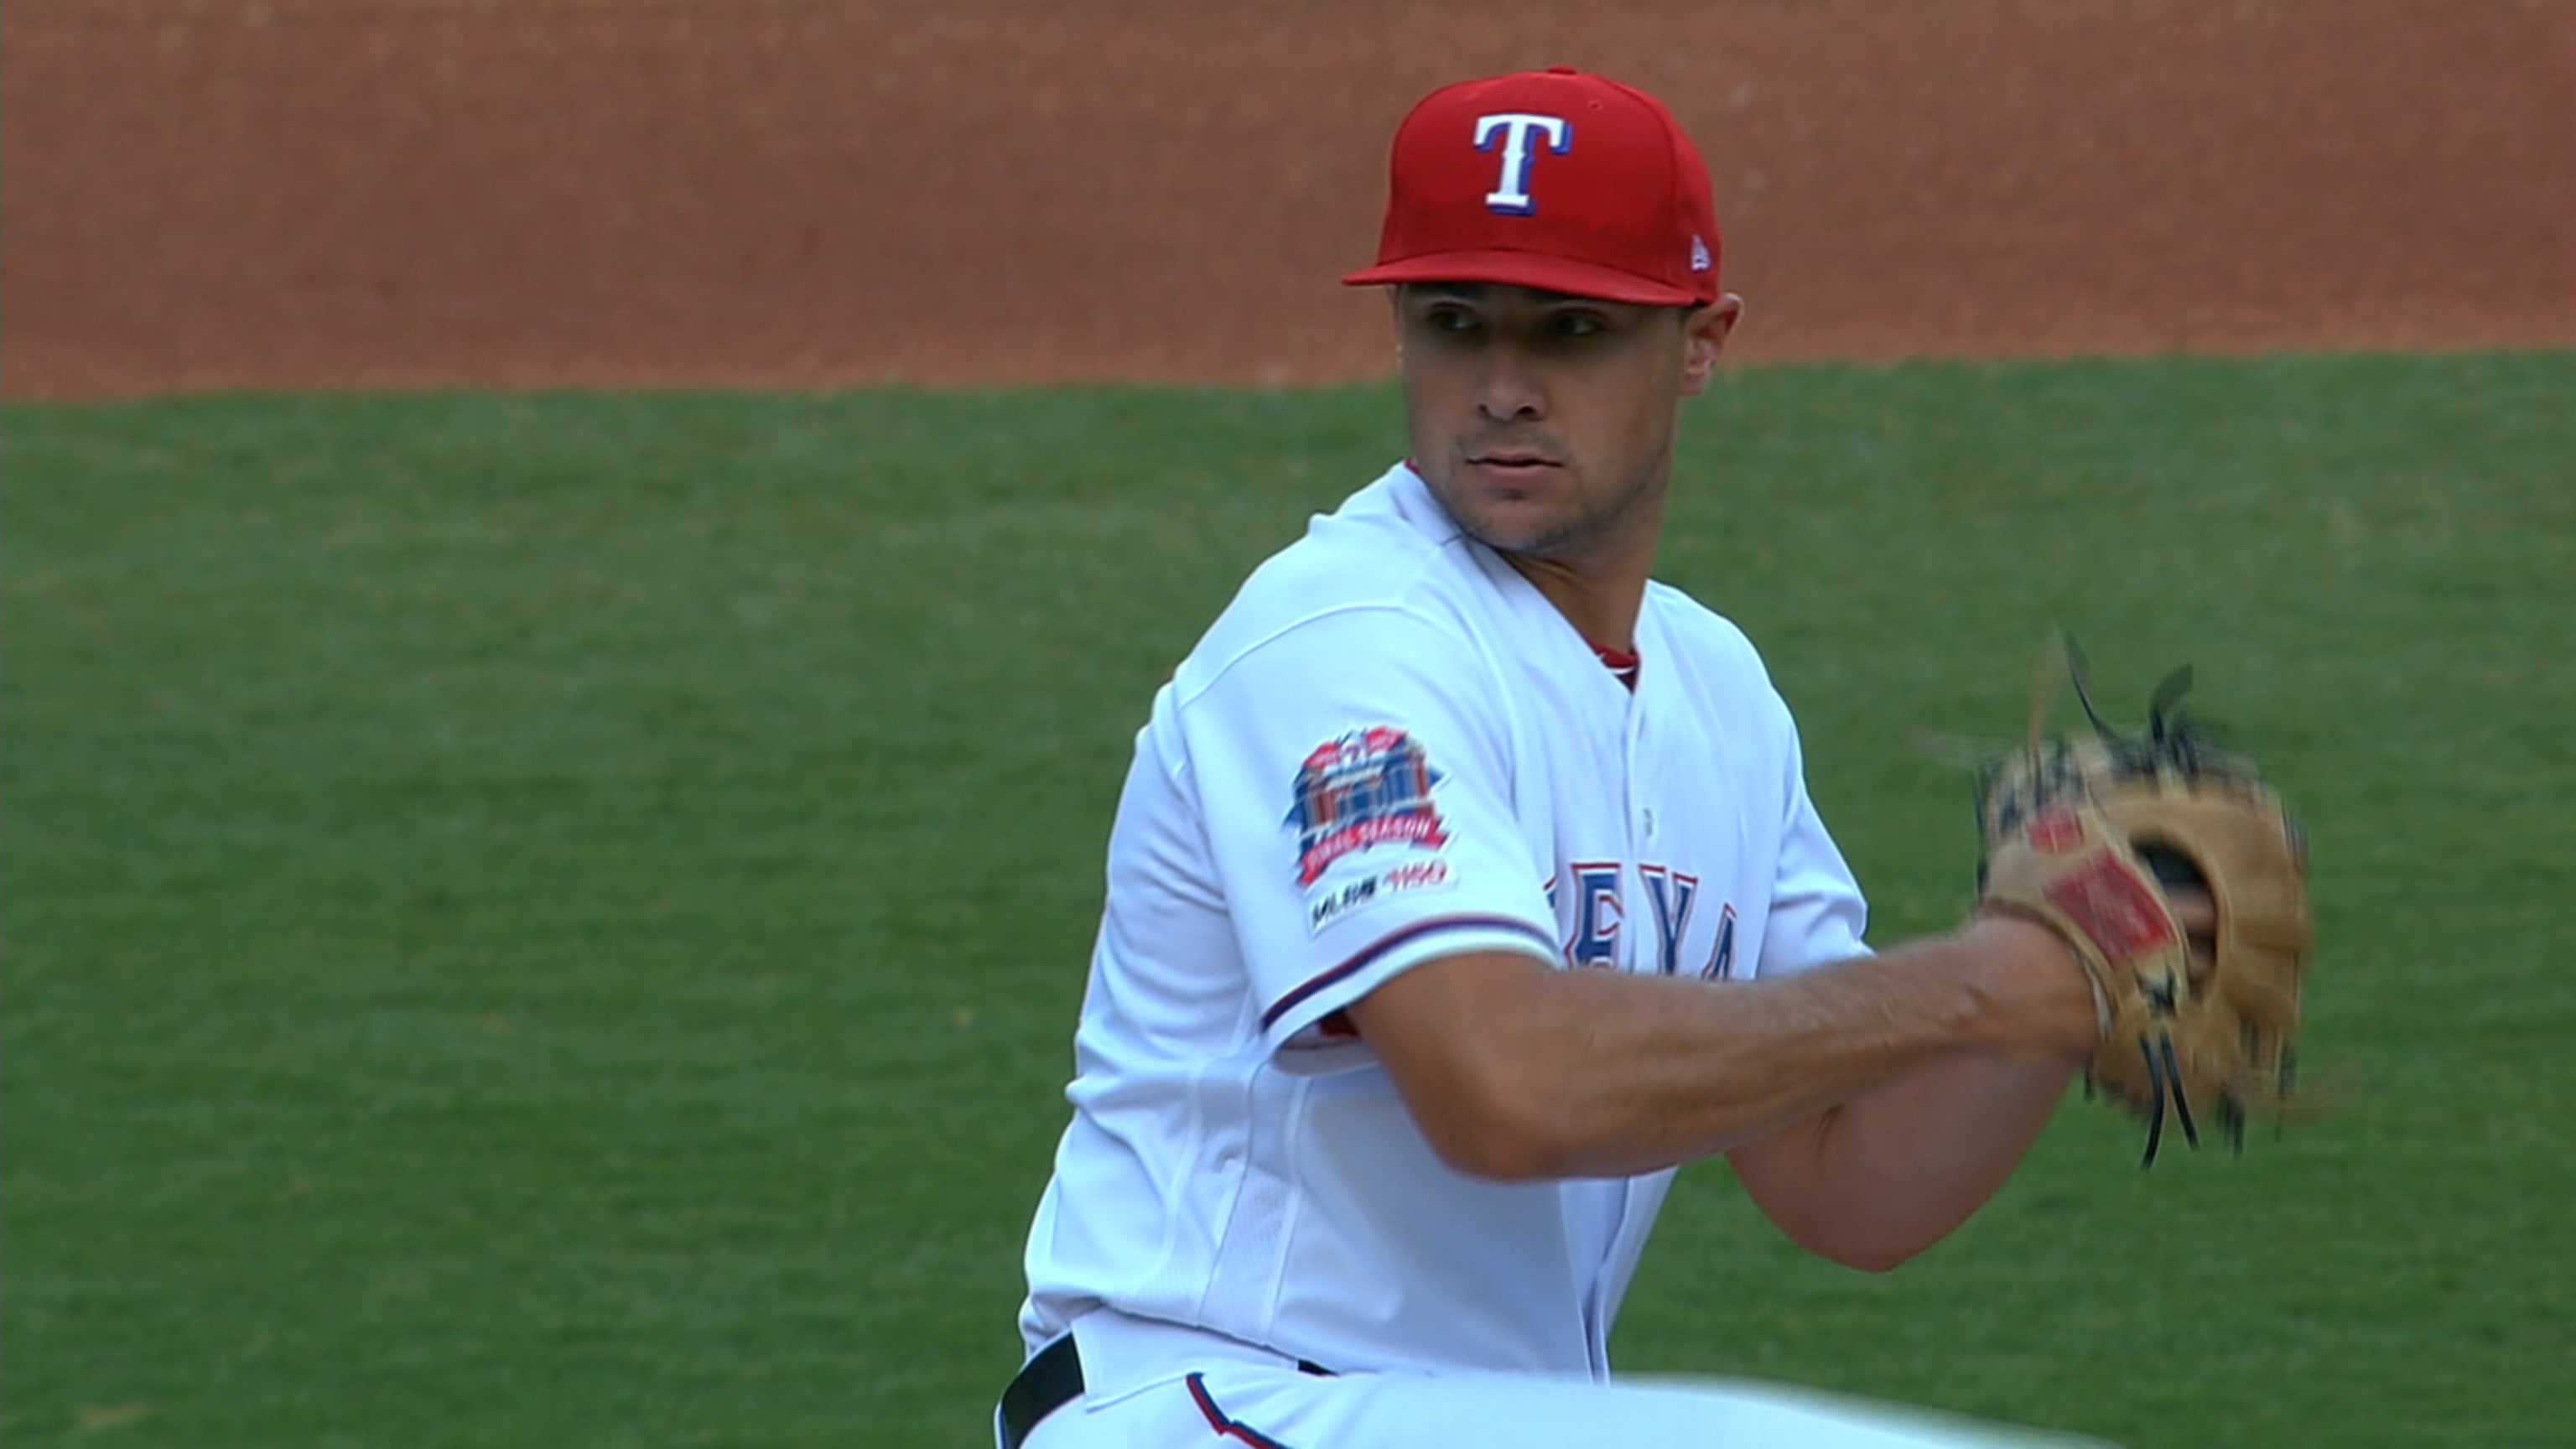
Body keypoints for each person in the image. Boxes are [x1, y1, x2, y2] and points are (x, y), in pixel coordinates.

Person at [996, 65, 2130, 1449]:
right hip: (1216, 1404)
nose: (1505, 389)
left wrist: (2066, 988)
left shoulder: (1718, 693)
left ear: (1701, 341)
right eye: (1456, 324)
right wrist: (1976, 987)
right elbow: (1504, 1091)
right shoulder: (1343, 643)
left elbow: (1853, 1184)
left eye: (1574, 330)